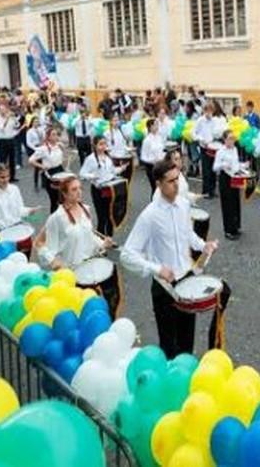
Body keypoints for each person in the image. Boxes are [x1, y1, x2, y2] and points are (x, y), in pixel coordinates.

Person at [121, 158, 225, 358]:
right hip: (165, 287)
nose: (176, 184)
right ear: (158, 184)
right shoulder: (149, 215)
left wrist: (203, 245)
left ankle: (186, 373)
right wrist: (156, 269)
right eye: (170, 181)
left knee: (187, 340)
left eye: (177, 178)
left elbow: (187, 233)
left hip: (187, 279)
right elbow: (127, 255)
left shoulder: (183, 204)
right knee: (169, 345)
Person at [36, 175, 119, 318]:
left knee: (100, 308)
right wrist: (52, 260)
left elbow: (89, 236)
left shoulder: (85, 209)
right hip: (72, 274)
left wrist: (102, 243)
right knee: (80, 313)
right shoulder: (56, 218)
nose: (79, 192)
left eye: (80, 188)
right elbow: (41, 245)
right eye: (74, 189)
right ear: (64, 194)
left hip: (90, 269)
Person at [0, 163, 38, 230]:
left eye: (8, 176)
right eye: (2, 177)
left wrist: (29, 211)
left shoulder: (14, 189)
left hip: (15, 226)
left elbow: (19, 209)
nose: (6, 180)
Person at [80, 135, 119, 236]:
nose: (103, 146)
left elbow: (112, 171)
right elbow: (82, 173)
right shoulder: (90, 159)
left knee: (110, 217)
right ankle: (100, 241)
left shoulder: (108, 157)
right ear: (94, 145)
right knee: (102, 218)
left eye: (105, 144)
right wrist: (93, 176)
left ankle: (109, 238)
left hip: (110, 189)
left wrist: (121, 169)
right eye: (100, 144)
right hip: (98, 190)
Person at [213, 130, 244, 240]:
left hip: (234, 177)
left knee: (235, 202)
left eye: (233, 138)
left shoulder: (235, 149)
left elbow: (236, 163)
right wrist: (223, 165)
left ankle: (236, 226)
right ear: (224, 139)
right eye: (230, 138)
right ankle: (228, 230)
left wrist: (242, 166)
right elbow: (215, 167)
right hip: (225, 178)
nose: (232, 141)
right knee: (227, 204)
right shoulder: (220, 151)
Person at [29, 126, 66, 213]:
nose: (56, 136)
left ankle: (62, 217)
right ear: (48, 137)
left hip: (60, 171)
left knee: (62, 198)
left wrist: (63, 149)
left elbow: (62, 157)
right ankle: (53, 217)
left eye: (57, 134)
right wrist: (42, 166)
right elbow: (31, 160)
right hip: (50, 173)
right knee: (54, 199)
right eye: (53, 134)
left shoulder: (59, 145)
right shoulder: (43, 149)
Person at [193, 103, 217, 199]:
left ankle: (212, 190)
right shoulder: (200, 121)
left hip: (213, 147)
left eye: (211, 111)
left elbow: (215, 132)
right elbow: (193, 133)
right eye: (207, 111)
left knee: (213, 170)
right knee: (206, 170)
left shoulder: (214, 121)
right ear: (204, 111)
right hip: (204, 147)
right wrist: (201, 139)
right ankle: (206, 191)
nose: (209, 113)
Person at [0, 106, 21, 183]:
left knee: (12, 159)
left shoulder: (11, 118)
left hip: (11, 139)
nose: (4, 111)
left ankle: (12, 176)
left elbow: (17, 125)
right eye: (2, 110)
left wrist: (14, 118)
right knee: (3, 160)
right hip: (3, 140)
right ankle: (2, 176)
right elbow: (2, 128)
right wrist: (7, 118)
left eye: (5, 109)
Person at [140, 118, 166, 194]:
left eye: (157, 124)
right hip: (151, 167)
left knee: (162, 187)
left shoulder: (159, 137)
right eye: (155, 125)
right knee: (155, 188)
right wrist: (152, 161)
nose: (157, 127)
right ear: (150, 127)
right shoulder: (147, 140)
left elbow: (162, 150)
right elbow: (143, 156)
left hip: (160, 165)